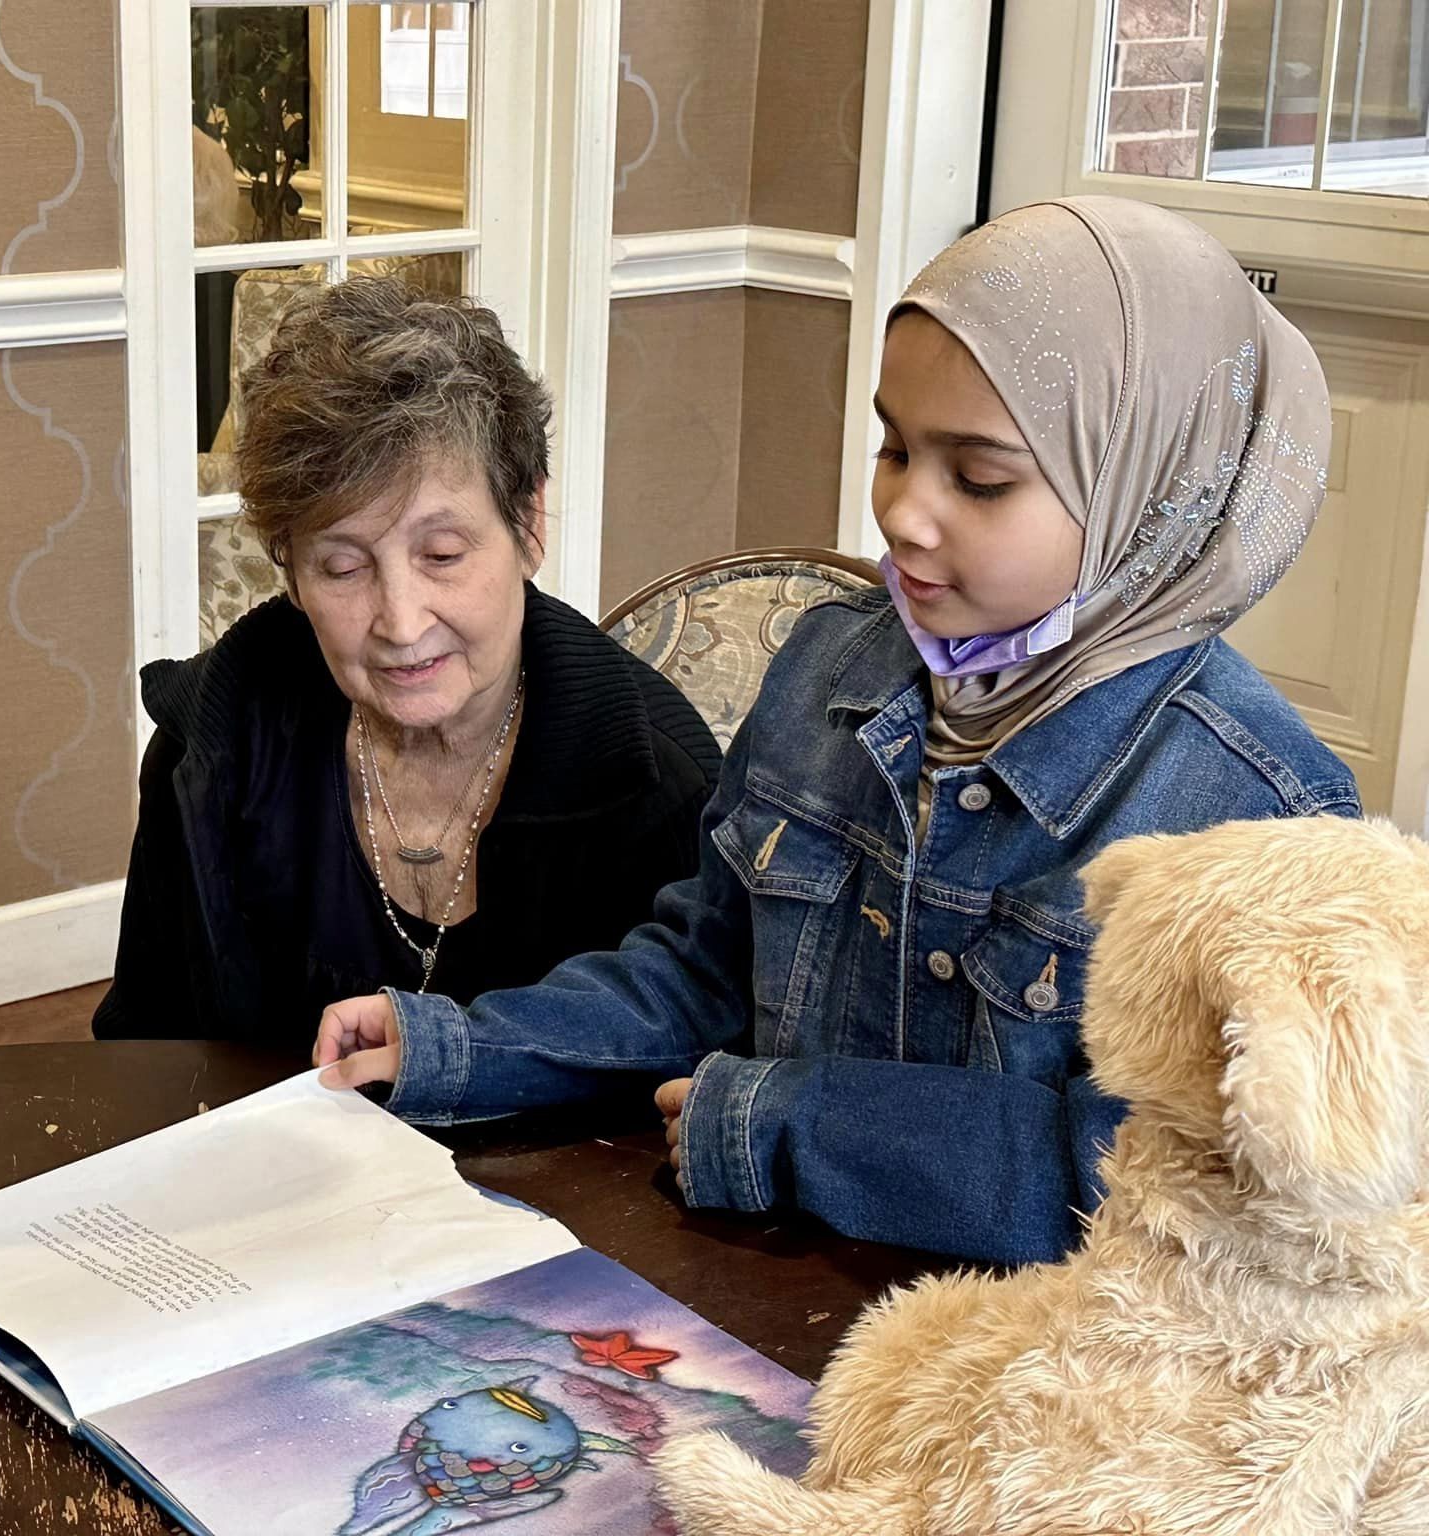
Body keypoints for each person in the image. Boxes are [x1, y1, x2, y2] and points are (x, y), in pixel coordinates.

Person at [315, 197, 1362, 1267]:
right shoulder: (829, 666)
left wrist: (797, 1125)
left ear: (1150, 495)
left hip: (1048, 1380)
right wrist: (457, 1047)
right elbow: (702, 969)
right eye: (894, 448)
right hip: (780, 1292)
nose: (903, 512)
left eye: (980, 478)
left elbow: (1170, 1191)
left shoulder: (1260, 821)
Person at [94, 277, 721, 1050]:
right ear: (291, 573)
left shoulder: (657, 787)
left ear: (527, 526)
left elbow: (686, 1095)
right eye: (343, 566)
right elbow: (145, 1048)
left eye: (443, 553)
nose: (400, 620)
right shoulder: (216, 749)